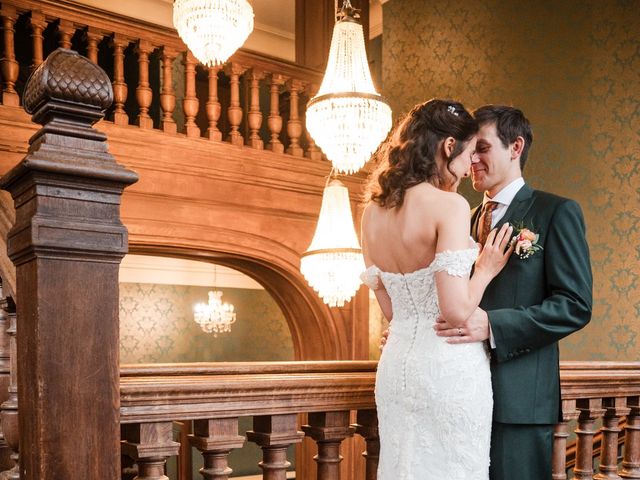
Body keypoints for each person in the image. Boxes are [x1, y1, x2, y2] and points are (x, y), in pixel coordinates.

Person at [434, 105, 593, 479]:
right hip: (457, 392)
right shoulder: (461, 217)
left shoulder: (556, 212)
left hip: (519, 400)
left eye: (483, 148)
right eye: (470, 149)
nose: (472, 159)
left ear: (515, 146)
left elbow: (575, 305)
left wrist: (493, 324)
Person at [360, 99, 514, 479]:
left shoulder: (371, 212)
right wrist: (486, 269)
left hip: (396, 368)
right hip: (448, 368)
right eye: (467, 155)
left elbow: (394, 312)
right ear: (448, 147)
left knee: (403, 465)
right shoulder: (451, 206)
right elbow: (456, 311)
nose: (467, 169)